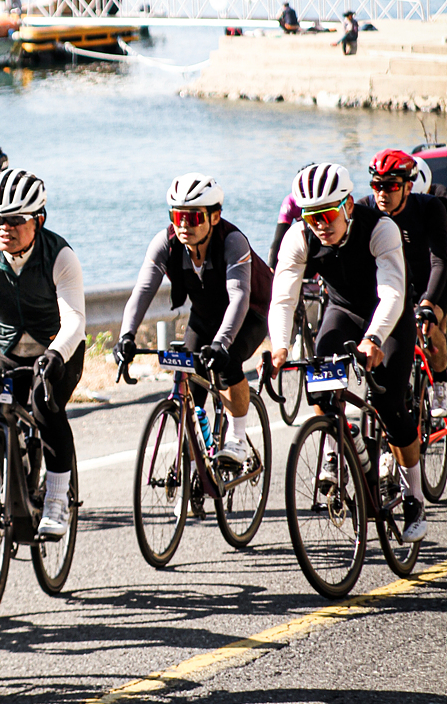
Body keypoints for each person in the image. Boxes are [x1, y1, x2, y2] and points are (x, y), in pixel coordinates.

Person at [269, 163, 426, 541]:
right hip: (343, 311)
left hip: (388, 317)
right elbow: (283, 298)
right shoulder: (299, 236)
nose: (319, 225)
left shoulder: (380, 228)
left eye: (327, 214)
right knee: (320, 380)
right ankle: (336, 444)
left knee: (390, 405)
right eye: (311, 216)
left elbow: (392, 293)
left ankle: (414, 498)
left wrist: (374, 338)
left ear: (348, 206)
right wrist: (279, 347)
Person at [0, 169, 85, 537]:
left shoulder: (59, 256)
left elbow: (75, 320)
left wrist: (56, 355)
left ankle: (57, 500)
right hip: (5, 347)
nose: (4, 228)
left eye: (15, 220)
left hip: (57, 348)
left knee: (45, 408)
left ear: (38, 220)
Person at [116, 175, 272, 465]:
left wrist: (222, 344)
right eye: (178, 217)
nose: (184, 225)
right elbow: (142, 292)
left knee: (228, 365)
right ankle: (193, 457)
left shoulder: (232, 242)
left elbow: (239, 297)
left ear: (215, 217)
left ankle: (237, 439)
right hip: (204, 316)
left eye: (194, 217)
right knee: (188, 375)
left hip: (249, 313)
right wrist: (126, 336)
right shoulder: (166, 243)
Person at [364, 150, 447, 420]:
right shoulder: (366, 209)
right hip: (392, 288)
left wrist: (428, 303)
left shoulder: (429, 207)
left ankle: (441, 382)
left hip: (429, 285)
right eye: (377, 185)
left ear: (408, 187)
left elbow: (440, 261)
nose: (382, 193)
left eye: (390, 186)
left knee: (429, 326)